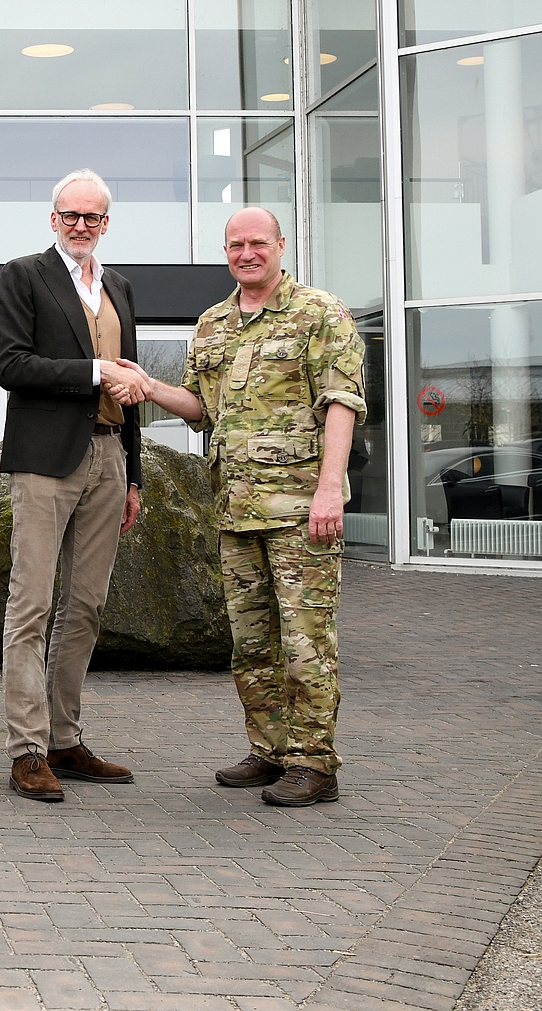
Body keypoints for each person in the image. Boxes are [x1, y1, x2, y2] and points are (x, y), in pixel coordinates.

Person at [107, 208, 364, 807]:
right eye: (235, 245)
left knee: (305, 640)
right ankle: (270, 750)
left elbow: (341, 405)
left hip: (301, 508)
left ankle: (314, 762)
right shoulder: (214, 322)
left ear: (279, 245)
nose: (246, 254)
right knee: (251, 643)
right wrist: (148, 386)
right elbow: (200, 407)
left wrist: (330, 488)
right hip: (236, 509)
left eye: (257, 243)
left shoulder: (319, 313)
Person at [0, 169, 146, 803]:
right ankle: (26, 751)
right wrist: (93, 371)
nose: (81, 225)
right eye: (70, 215)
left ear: (106, 223)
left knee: (86, 606)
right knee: (31, 606)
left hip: (109, 460)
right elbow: (11, 365)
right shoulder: (24, 275)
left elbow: (131, 390)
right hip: (44, 462)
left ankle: (64, 739)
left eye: (93, 217)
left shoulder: (121, 288)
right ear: (53, 218)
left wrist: (134, 476)